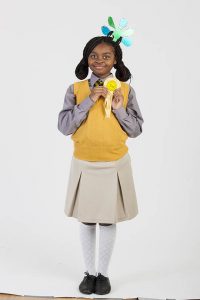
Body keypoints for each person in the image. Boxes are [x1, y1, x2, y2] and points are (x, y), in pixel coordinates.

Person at [57, 27, 144, 295]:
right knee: (86, 219)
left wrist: (118, 108)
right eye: (94, 56)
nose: (99, 61)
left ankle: (103, 274)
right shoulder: (76, 89)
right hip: (85, 163)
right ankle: (88, 272)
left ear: (115, 60)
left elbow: (136, 129)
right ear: (86, 59)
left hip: (114, 164)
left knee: (107, 220)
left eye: (107, 56)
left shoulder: (126, 91)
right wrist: (88, 101)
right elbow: (64, 126)